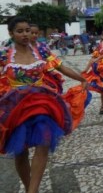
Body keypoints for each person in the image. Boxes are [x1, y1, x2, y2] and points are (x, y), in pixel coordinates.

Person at [0, 17, 89, 193]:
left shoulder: (41, 49)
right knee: (20, 151)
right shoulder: (4, 54)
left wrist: (81, 78)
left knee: (44, 143)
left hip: (42, 102)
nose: (25, 34)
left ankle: (33, 190)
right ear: (11, 33)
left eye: (27, 30)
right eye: (20, 31)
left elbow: (61, 67)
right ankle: (28, 188)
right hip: (16, 106)